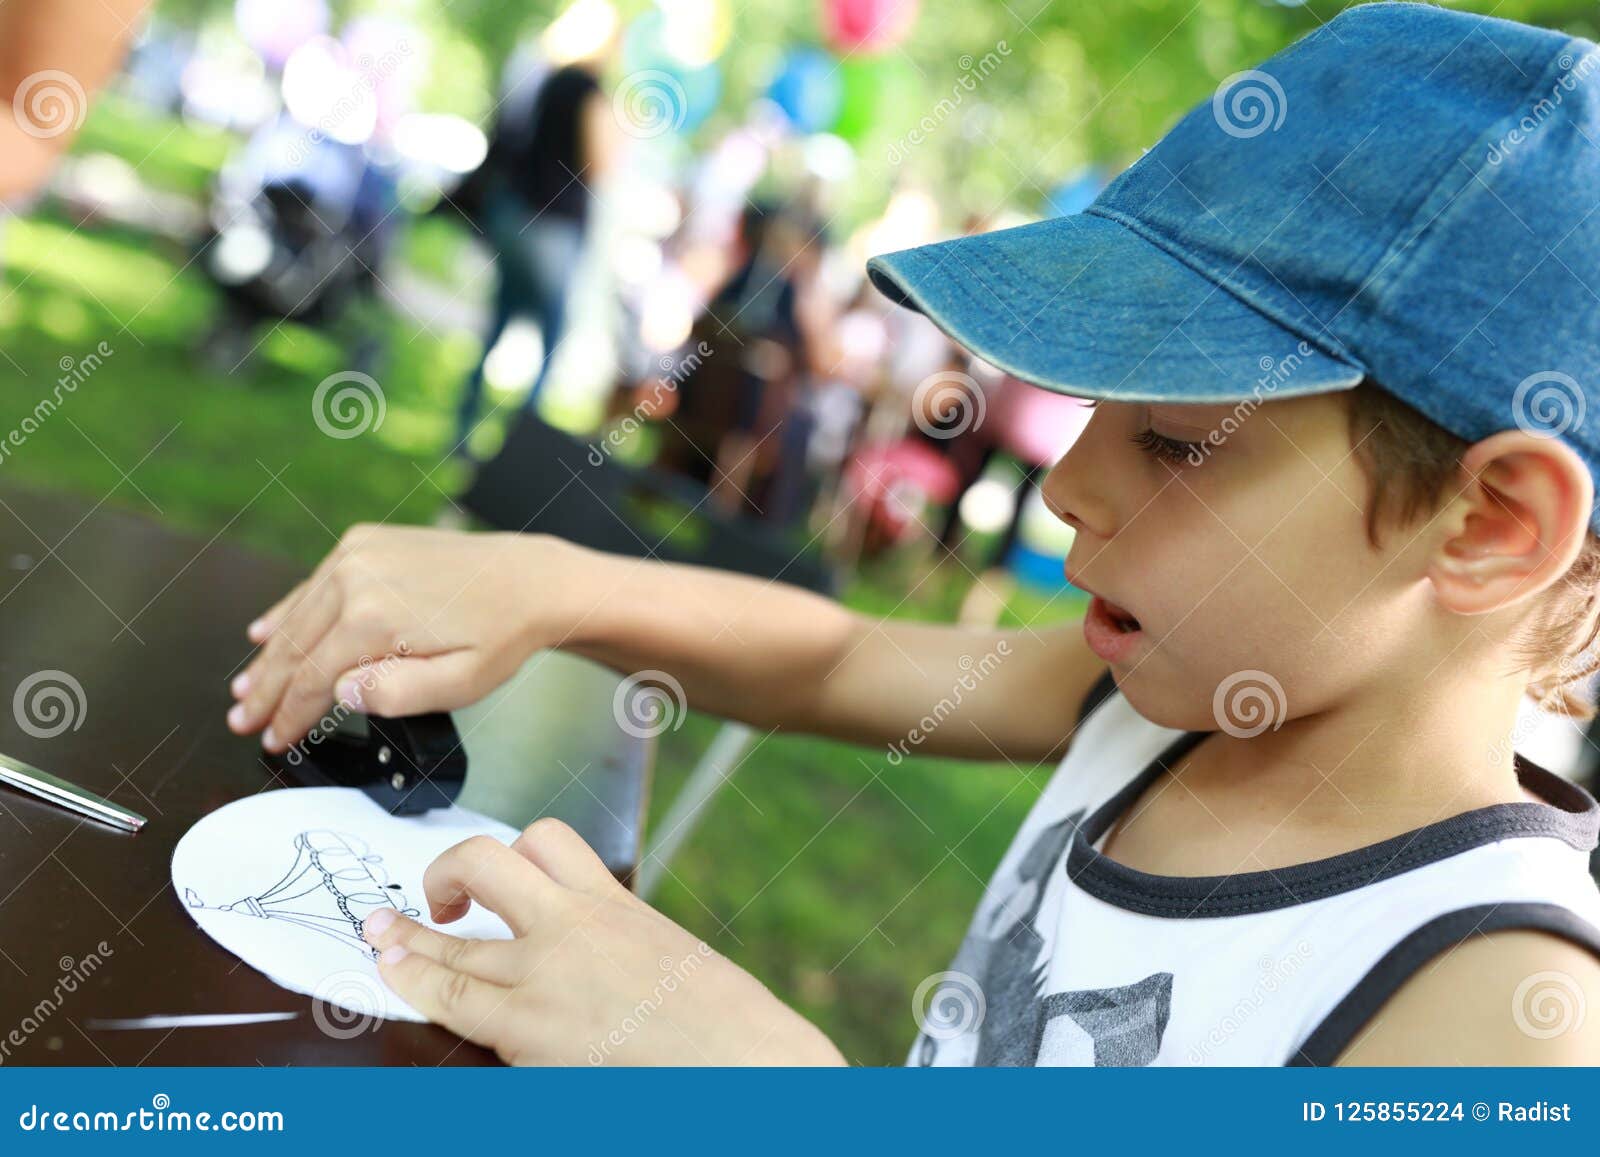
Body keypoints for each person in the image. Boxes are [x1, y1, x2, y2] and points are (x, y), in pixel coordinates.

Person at [227, 6, 1600, 1065]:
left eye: (1178, 442)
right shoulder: (1161, 700)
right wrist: (554, 583)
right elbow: (830, 660)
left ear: (1487, 526)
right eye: (1092, 412)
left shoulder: (1499, 1005)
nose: (1068, 486)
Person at [451, 62, 616, 454]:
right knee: (552, 339)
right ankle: (518, 451)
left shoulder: (541, 79)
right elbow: (599, 164)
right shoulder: (588, 89)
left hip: (513, 212)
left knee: (497, 325)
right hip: (554, 224)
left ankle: (461, 434)